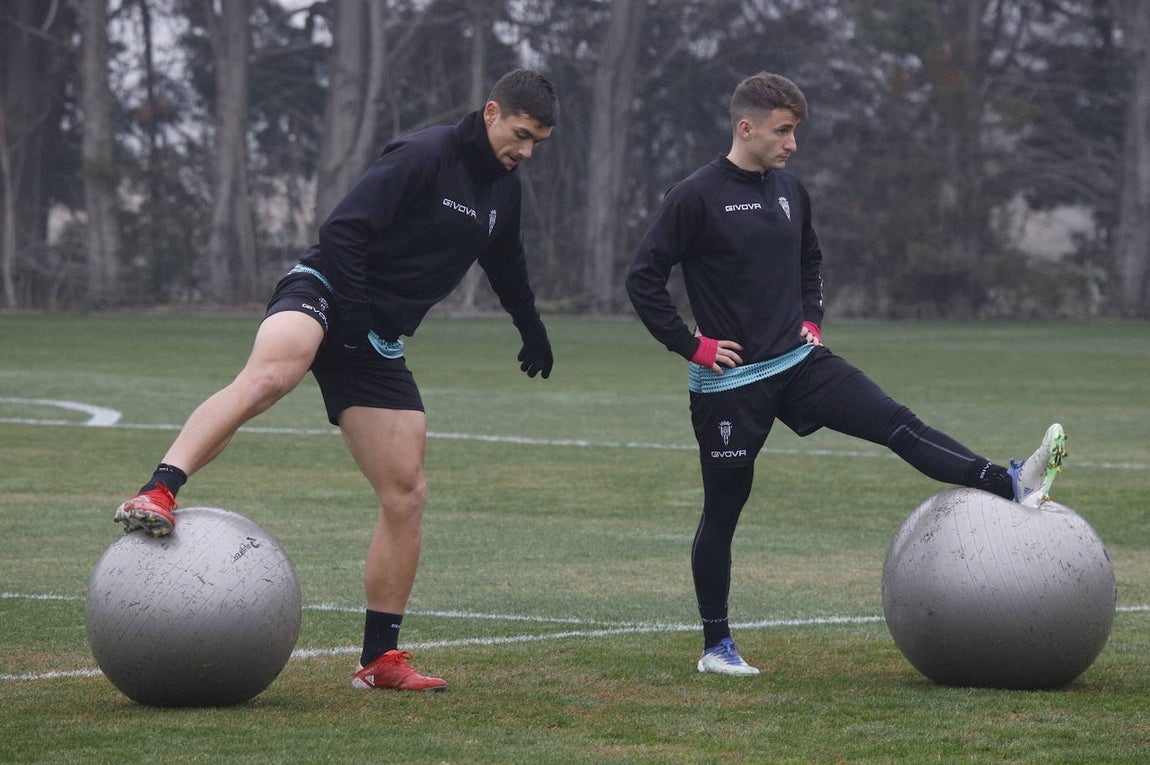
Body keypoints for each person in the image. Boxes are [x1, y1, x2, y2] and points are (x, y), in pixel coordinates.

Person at [114, 68, 560, 692]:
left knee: (406, 492)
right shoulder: (424, 153)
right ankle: (158, 491)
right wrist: (348, 313)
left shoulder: (503, 190)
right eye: (520, 134)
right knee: (273, 373)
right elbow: (343, 231)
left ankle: (380, 661)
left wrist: (531, 327)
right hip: (326, 292)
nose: (527, 151)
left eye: (538, 141)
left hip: (375, 338)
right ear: (491, 113)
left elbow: (506, 263)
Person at [625, 72, 1067, 677]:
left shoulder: (791, 192)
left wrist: (812, 318)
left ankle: (1010, 479)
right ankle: (716, 645)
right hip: (731, 386)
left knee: (895, 422)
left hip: (800, 363)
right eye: (783, 132)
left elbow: (811, 259)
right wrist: (692, 346)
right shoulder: (694, 196)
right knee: (724, 511)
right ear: (745, 127)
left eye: (796, 132)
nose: (792, 145)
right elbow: (642, 278)